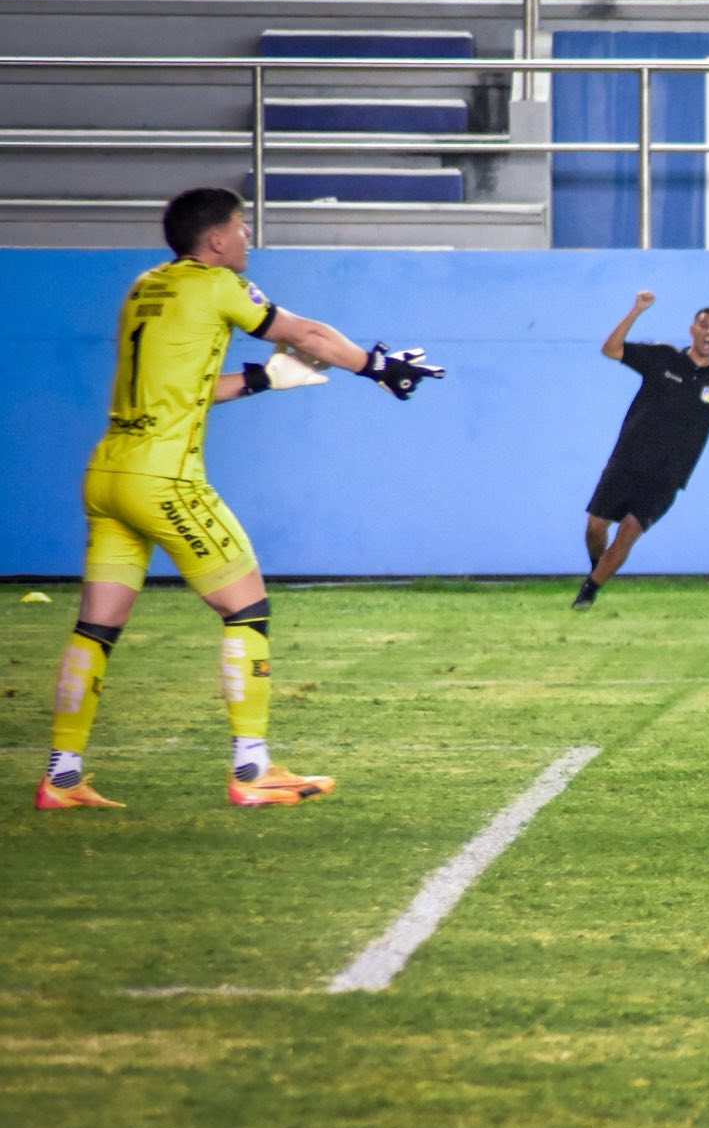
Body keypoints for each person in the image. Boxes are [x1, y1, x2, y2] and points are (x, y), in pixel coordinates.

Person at [34, 186, 444, 810]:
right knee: (245, 606)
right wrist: (379, 367)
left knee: (96, 627)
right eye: (242, 227)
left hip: (109, 475)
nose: (248, 236)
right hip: (164, 479)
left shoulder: (145, 288)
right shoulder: (218, 284)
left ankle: (61, 778)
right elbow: (304, 332)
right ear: (217, 239)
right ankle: (252, 772)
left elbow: (183, 389)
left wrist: (261, 378)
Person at [572, 294, 709, 610]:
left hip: (667, 475)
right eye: (703, 325)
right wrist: (636, 311)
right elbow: (610, 349)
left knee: (629, 530)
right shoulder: (663, 357)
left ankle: (588, 592)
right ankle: (597, 569)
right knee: (595, 527)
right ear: (692, 330)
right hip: (627, 461)